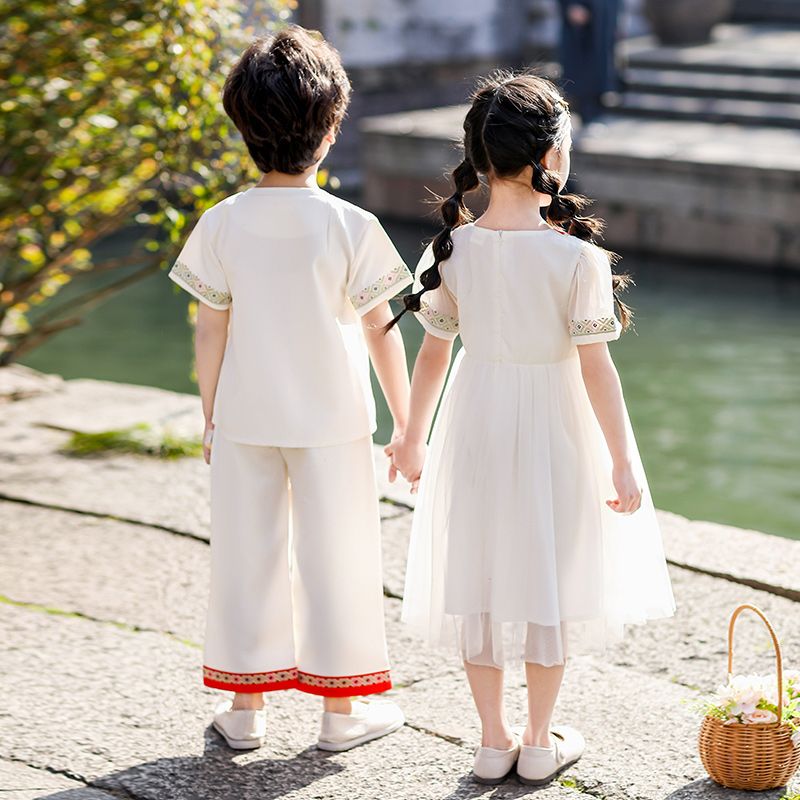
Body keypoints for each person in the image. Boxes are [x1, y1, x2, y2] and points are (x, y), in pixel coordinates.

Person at [385, 73, 675, 785]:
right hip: (557, 426)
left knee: (478, 576)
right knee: (549, 577)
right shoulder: (577, 257)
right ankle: (540, 741)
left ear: (480, 157)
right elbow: (596, 370)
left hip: (475, 418)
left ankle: (492, 740)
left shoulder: (451, 249)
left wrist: (412, 437)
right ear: (549, 157)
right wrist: (622, 462)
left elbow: (433, 351)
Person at [168, 26, 411, 752]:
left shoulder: (222, 222)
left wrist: (211, 412)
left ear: (243, 127)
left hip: (245, 414)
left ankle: (245, 712)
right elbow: (382, 329)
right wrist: (406, 424)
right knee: (340, 556)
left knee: (246, 554)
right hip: (334, 418)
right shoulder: (351, 225)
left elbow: (211, 328)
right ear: (331, 129)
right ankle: (342, 717)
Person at [558, 0, 620, 123]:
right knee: (582, 67)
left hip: (603, 14)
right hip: (582, 15)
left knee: (601, 63)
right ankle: (586, 114)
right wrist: (570, 5)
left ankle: (597, 111)